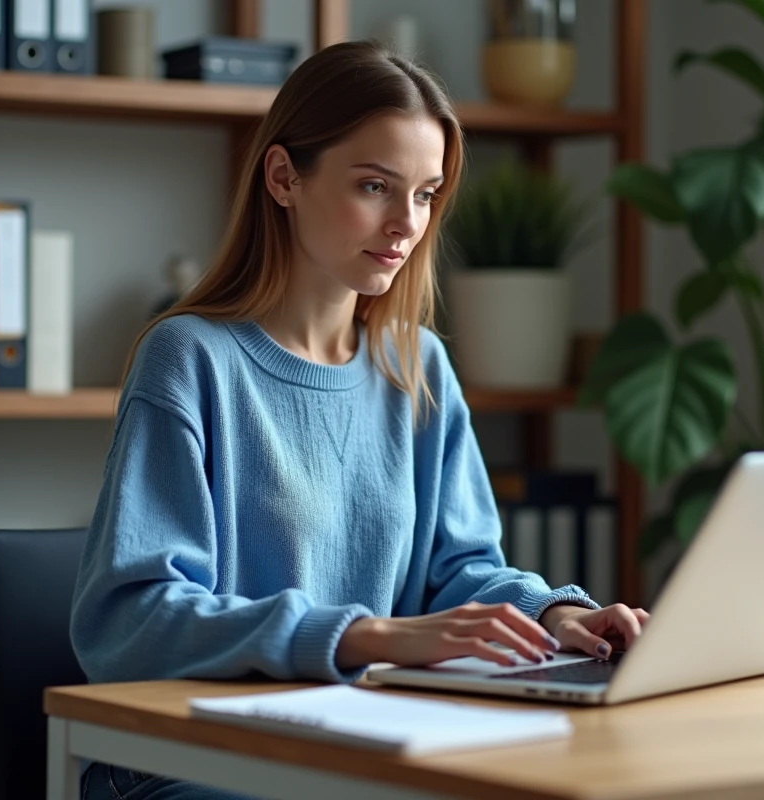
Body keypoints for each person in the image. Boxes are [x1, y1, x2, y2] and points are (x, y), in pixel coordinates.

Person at [70, 39, 648, 800]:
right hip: (198, 763)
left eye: (425, 193)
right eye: (376, 186)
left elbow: (459, 571)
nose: (405, 224)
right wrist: (362, 635)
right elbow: (128, 619)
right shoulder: (190, 358)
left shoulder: (417, 367)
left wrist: (554, 613)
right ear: (284, 177)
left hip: (360, 748)